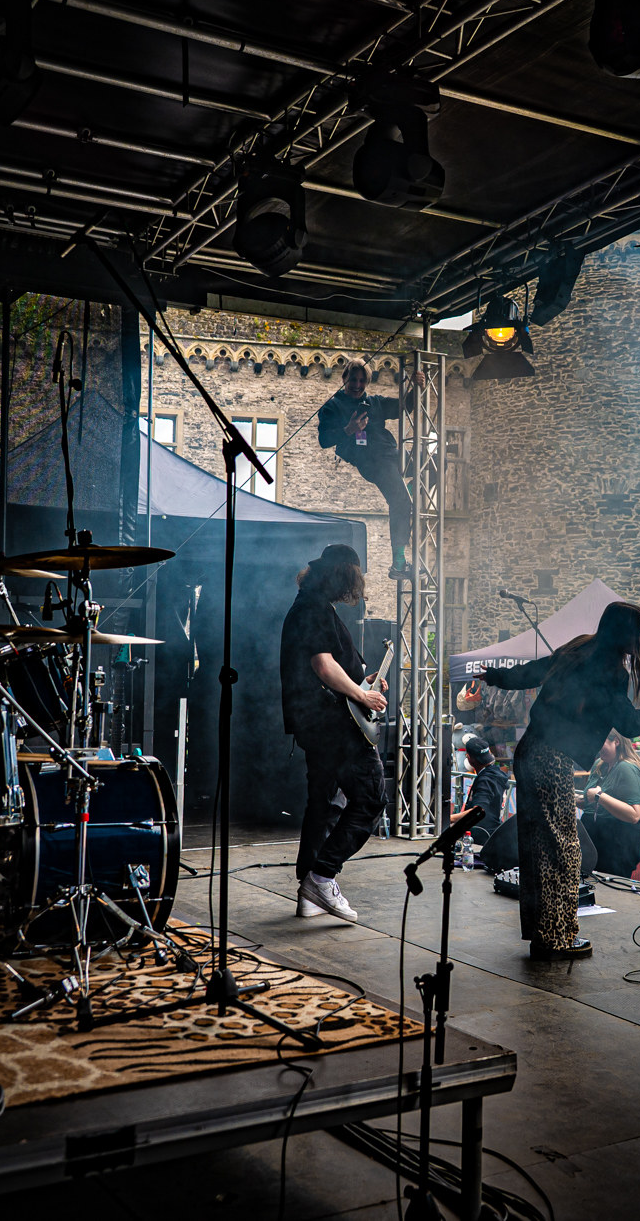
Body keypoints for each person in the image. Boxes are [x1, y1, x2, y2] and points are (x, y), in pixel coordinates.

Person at [480, 602, 640, 960]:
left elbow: (533, 672)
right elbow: (631, 724)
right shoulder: (611, 671)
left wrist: (496, 675)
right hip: (549, 759)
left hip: (530, 752)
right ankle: (555, 939)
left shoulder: (578, 648)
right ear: (624, 632)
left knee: (539, 847)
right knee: (562, 849)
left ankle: (545, 935)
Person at [279, 544, 388, 923]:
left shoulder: (309, 605)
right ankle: (322, 878)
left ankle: (309, 892)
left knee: (323, 804)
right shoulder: (313, 609)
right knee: (370, 799)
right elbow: (323, 666)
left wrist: (361, 681)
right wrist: (362, 695)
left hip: (318, 723)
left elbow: (331, 666)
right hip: (332, 725)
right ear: (344, 575)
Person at [316, 360, 415, 578]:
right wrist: (348, 430)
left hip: (392, 454)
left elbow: (405, 406)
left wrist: (417, 386)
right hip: (372, 461)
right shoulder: (333, 406)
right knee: (400, 501)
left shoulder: (374, 402)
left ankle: (409, 490)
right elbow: (324, 440)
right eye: (353, 380)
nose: (357, 385)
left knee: (435, 462)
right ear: (344, 379)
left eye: (362, 381)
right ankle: (398, 564)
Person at [582, 731, 640, 878]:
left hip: (620, 840)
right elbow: (590, 801)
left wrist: (599, 796)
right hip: (599, 835)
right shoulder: (600, 765)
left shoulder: (626, 768)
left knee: (611, 885)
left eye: (601, 741)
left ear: (616, 742)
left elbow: (634, 814)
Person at [451, 733, 509, 844]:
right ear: (489, 753)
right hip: (492, 835)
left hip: (482, 839)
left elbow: (478, 811)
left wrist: (450, 819)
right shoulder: (496, 773)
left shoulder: (485, 780)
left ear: (469, 758)